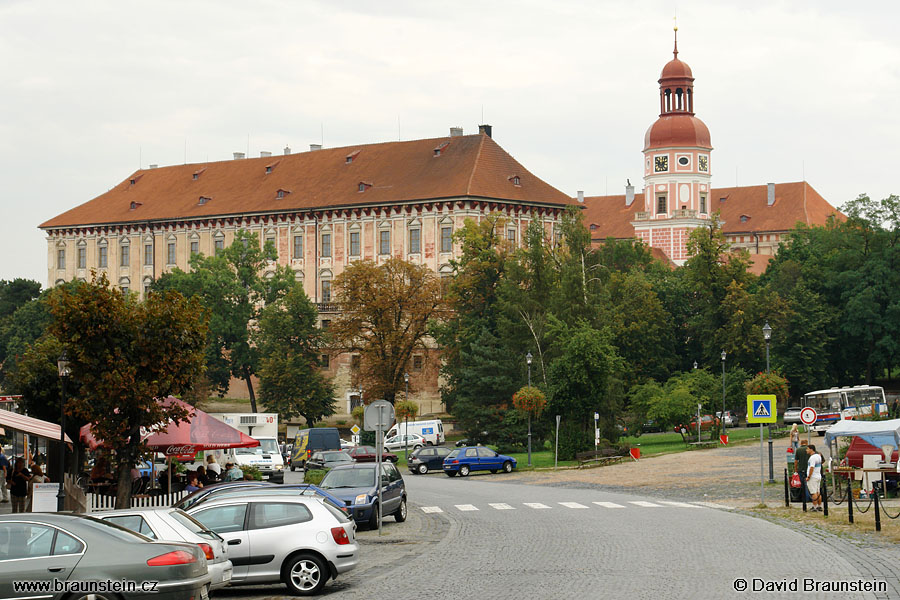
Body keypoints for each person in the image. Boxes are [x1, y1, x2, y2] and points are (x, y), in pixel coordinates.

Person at [806, 444, 823, 511]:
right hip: (818, 475)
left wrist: (809, 476)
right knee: (818, 492)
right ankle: (819, 505)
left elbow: (811, 468)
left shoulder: (812, 458)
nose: (806, 450)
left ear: (811, 449)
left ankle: (815, 506)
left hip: (813, 477)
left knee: (813, 492)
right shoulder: (818, 456)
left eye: (807, 449)